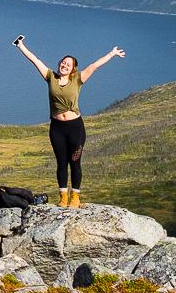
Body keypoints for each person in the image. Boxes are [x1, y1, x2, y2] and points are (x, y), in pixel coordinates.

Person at [13, 35, 124, 208]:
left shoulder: (77, 79)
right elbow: (35, 60)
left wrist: (112, 53)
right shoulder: (51, 76)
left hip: (75, 128)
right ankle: (63, 196)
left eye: (68, 64)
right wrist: (20, 46)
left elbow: (94, 66)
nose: (64, 65)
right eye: (63, 62)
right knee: (61, 163)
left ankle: (75, 197)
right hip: (57, 128)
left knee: (75, 162)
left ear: (73, 69)